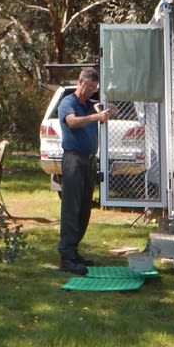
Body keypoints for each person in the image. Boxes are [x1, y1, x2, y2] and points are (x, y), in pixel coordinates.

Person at [58, 66, 113, 274]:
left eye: (94, 88)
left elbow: (109, 110)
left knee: (84, 209)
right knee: (71, 208)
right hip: (73, 160)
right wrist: (94, 118)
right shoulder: (68, 103)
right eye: (88, 86)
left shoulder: (91, 105)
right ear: (80, 82)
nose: (90, 91)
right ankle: (66, 257)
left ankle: (74, 251)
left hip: (89, 161)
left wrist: (108, 109)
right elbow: (72, 122)